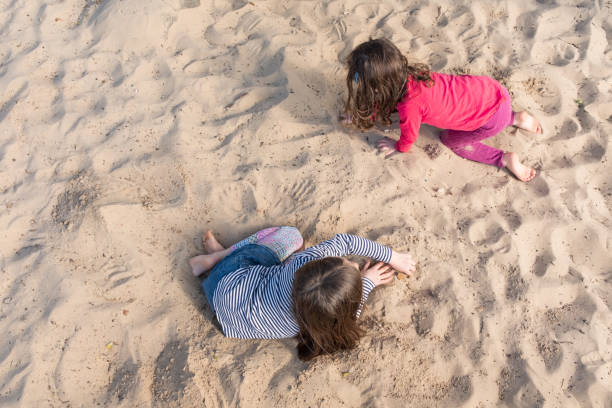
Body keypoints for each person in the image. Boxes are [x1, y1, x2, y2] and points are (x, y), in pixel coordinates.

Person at [189, 226, 415, 361]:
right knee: (290, 238)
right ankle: (220, 256)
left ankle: (217, 258)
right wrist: (368, 282)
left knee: (292, 236)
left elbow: (346, 241)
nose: (352, 264)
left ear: (310, 265)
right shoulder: (326, 322)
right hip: (233, 325)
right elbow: (352, 309)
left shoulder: (300, 261)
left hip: (223, 288)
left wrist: (392, 256)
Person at [344, 38, 542, 182]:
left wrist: (397, 147)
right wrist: (363, 114)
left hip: (491, 121)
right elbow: (389, 100)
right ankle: (516, 118)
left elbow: (408, 139)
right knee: (481, 108)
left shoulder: (409, 107)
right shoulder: (415, 74)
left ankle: (504, 158)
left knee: (450, 140)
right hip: (494, 91)